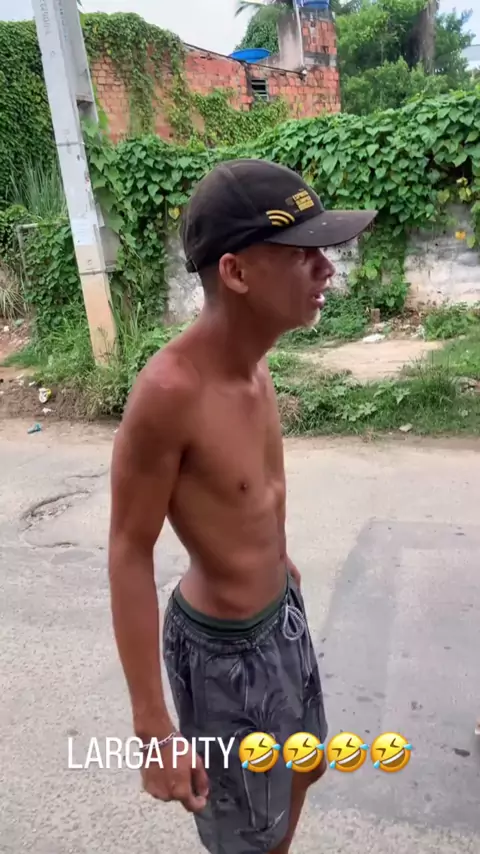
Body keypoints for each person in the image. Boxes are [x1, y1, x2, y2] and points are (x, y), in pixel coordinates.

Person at [108, 158, 377, 854]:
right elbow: (129, 551)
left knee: (305, 766)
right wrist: (153, 729)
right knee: (251, 834)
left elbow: (261, 493)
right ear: (235, 272)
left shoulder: (257, 362)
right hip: (222, 653)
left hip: (281, 612)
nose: (326, 269)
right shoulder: (170, 393)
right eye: (301, 254)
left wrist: (279, 563)